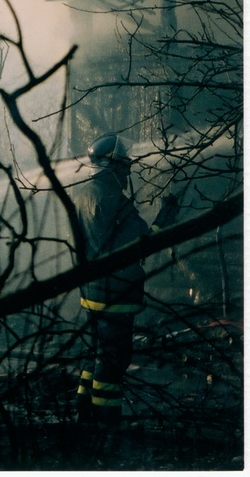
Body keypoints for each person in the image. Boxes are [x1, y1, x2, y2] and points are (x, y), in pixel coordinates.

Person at [71, 133, 178, 425]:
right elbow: (142, 244)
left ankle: (83, 412)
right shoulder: (115, 201)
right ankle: (106, 424)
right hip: (116, 296)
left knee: (93, 352)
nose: (129, 168)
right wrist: (166, 219)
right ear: (115, 166)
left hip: (90, 292)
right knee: (113, 361)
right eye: (126, 164)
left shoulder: (82, 194)